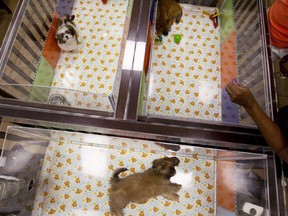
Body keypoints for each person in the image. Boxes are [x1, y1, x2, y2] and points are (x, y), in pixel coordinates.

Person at [226, 80, 288, 164]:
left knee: (245, 158)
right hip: (277, 122)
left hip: (276, 154)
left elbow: (283, 149)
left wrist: (250, 104)